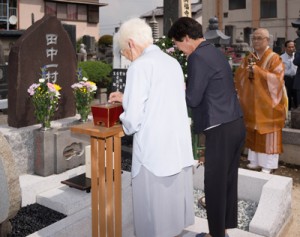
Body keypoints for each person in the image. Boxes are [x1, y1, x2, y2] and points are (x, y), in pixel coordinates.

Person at [108, 18, 195, 237]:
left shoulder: (140, 66)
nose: (127, 58)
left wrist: (123, 116)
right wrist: (126, 97)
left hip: (154, 151)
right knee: (172, 211)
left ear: (130, 44)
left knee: (153, 215)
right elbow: (159, 98)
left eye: (124, 53)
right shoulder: (171, 61)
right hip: (175, 145)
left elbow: (134, 119)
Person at [168, 17, 245, 237]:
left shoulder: (197, 56)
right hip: (235, 123)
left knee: (214, 184)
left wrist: (176, 88)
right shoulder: (213, 51)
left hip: (220, 127)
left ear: (185, 38)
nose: (179, 49)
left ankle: (216, 235)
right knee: (228, 179)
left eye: (177, 44)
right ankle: (223, 228)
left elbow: (192, 98)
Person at [234, 28, 287, 174]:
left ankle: (269, 164)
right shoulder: (250, 57)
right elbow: (240, 75)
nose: (256, 41)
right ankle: (254, 160)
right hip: (253, 102)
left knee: (268, 132)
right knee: (253, 130)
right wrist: (247, 72)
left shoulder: (274, 58)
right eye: (254, 38)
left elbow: (277, 79)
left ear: (267, 40)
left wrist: (257, 71)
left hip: (269, 103)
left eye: (259, 38)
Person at [280, 40, 297, 109]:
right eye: (289, 47)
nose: (291, 49)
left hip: (296, 79)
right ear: (285, 48)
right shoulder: (281, 58)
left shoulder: (296, 56)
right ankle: (288, 114)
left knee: (297, 97)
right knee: (287, 97)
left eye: (292, 47)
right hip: (286, 79)